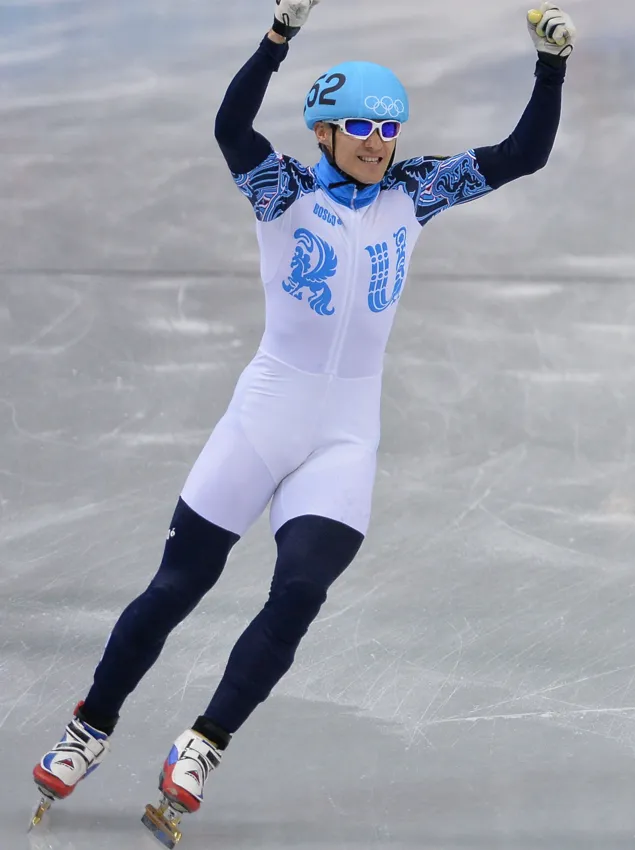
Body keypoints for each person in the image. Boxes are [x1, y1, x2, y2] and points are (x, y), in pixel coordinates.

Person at [30, 0, 576, 843]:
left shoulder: (416, 192)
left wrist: (551, 68)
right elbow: (230, 128)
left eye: (388, 127)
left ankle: (203, 744)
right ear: (323, 132)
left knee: (300, 591)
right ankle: (88, 728)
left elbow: (523, 155)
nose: (378, 142)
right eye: (360, 126)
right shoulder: (281, 190)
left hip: (345, 435)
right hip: (264, 418)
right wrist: (275, 40)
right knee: (178, 587)